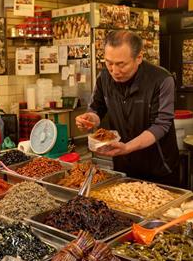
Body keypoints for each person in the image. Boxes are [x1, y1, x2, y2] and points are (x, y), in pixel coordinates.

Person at [76, 30, 180, 185]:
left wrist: (127, 147)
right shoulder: (104, 77)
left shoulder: (161, 80)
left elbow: (161, 125)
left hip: (159, 168)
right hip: (124, 167)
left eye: (121, 64)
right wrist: (89, 119)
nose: (114, 71)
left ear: (139, 58)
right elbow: (96, 109)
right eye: (109, 63)